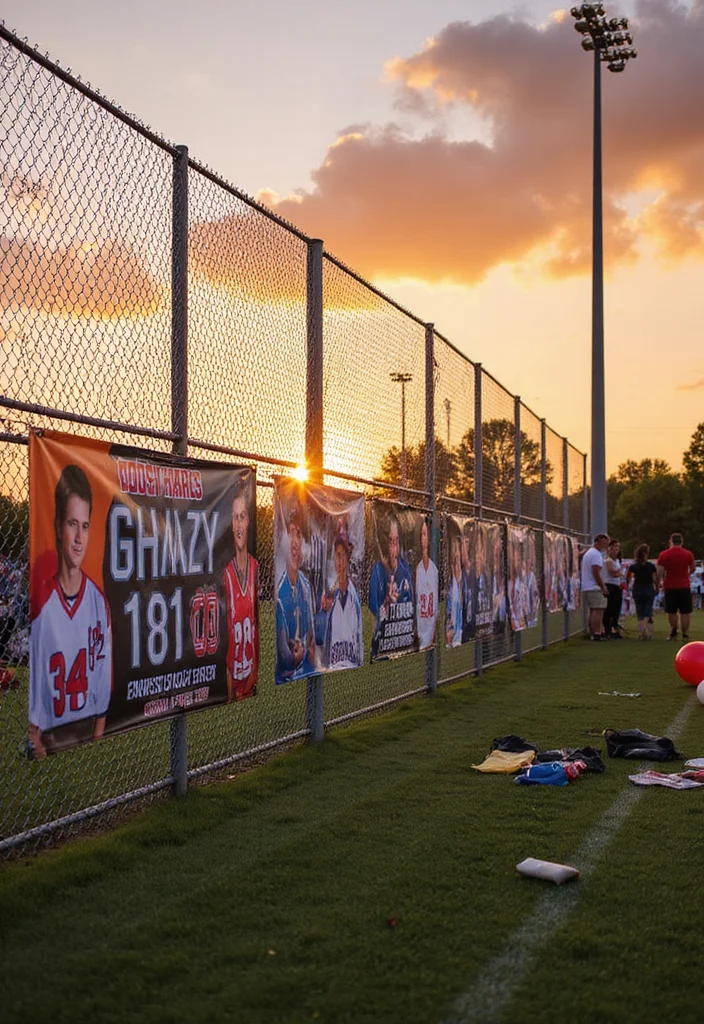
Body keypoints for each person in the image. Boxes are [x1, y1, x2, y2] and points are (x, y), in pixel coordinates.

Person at [28, 464, 112, 758]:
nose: (79, 537)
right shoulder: (43, 602)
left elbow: (102, 678)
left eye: (85, 526)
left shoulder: (98, 602)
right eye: (72, 524)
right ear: (58, 526)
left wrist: (98, 734)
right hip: (50, 734)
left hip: (86, 726)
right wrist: (34, 739)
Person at [223, 483, 259, 701]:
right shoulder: (226, 574)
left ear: (248, 521)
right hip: (234, 685)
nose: (238, 523)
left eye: (242, 516)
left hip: (250, 680)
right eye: (235, 517)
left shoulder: (255, 568)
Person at [276, 503, 316, 682]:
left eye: (298, 534)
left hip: (306, 666)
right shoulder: (279, 593)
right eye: (290, 533)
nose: (294, 541)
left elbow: (312, 636)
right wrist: (294, 658)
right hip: (289, 673)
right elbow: (284, 656)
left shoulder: (306, 587)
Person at [322, 521, 363, 670]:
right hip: (333, 659)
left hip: (349, 657)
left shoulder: (352, 596)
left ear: (347, 557)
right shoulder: (330, 592)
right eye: (336, 556)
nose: (339, 561)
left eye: (342, 555)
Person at [369, 512, 414, 636]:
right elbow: (373, 612)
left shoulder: (405, 571)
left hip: (401, 637)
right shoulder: (377, 572)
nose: (394, 547)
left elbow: (410, 607)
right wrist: (387, 603)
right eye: (390, 541)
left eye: (396, 541)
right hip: (383, 637)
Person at [657, 532, 696, 641]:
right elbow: (692, 568)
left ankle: (674, 631)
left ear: (671, 541)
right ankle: (685, 634)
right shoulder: (688, 554)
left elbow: (659, 571)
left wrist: (658, 583)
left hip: (670, 586)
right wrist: (686, 573)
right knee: (685, 612)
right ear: (682, 542)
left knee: (671, 611)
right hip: (684, 585)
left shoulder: (664, 554)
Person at [580, 533, 610, 641]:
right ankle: (596, 633)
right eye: (605, 543)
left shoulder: (590, 553)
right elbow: (596, 571)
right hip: (594, 586)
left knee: (594, 610)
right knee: (598, 610)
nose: (606, 546)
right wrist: (602, 586)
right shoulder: (596, 555)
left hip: (589, 586)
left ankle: (593, 632)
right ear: (599, 542)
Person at [415, 517, 438, 651]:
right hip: (419, 634)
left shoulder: (433, 570)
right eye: (421, 535)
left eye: (425, 535)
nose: (423, 539)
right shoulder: (415, 570)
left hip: (430, 633)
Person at [627, 544, 657, 640]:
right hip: (648, 589)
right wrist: (656, 587)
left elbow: (628, 578)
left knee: (640, 612)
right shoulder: (651, 566)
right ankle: (649, 632)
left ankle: (642, 632)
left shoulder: (633, 566)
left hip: (637, 589)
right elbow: (654, 579)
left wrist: (629, 586)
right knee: (647, 612)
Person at [602, 538, 624, 638]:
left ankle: (615, 628)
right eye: (614, 547)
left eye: (617, 548)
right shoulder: (608, 561)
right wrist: (620, 573)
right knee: (609, 608)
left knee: (616, 609)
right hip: (610, 586)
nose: (616, 550)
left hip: (617, 586)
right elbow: (612, 573)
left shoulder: (617, 561)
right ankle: (608, 629)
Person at [446, 534, 463, 647]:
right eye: (455, 549)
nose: (457, 554)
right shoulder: (448, 579)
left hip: (457, 632)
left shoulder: (458, 579)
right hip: (450, 631)